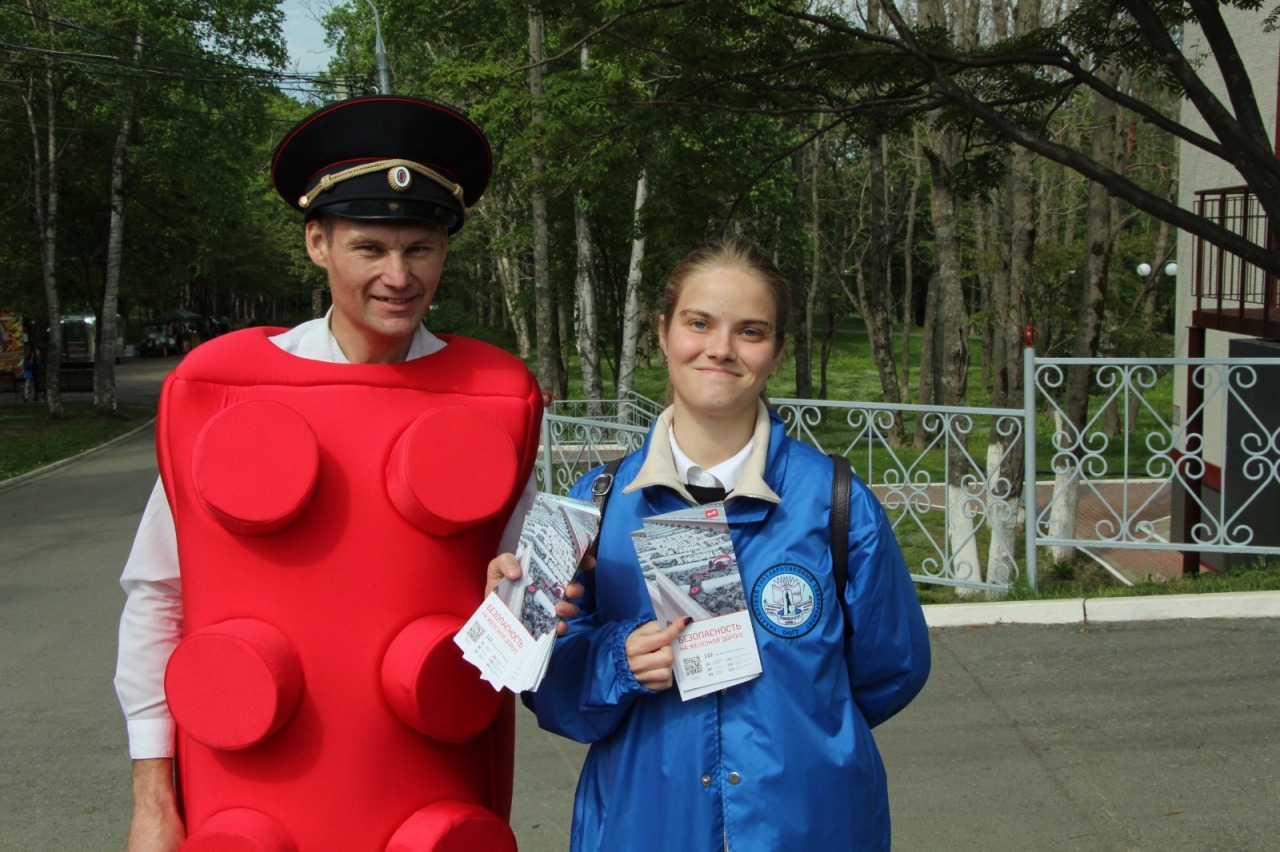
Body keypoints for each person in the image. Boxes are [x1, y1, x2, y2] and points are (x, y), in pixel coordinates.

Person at [114, 95, 579, 851]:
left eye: (420, 248)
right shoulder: (227, 396)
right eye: (369, 248)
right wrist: (152, 800)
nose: (398, 276)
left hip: (428, 792)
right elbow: (158, 598)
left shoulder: (492, 403)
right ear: (317, 243)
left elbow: (528, 611)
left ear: (445, 249)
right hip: (250, 803)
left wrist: (529, 608)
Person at [509, 238, 931, 850]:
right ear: (663, 333)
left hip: (808, 825)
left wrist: (797, 735)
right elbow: (545, 687)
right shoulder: (593, 502)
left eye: (750, 331)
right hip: (643, 825)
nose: (721, 348)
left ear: (777, 350)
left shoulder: (837, 501)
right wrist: (617, 661)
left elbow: (892, 668)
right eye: (699, 323)